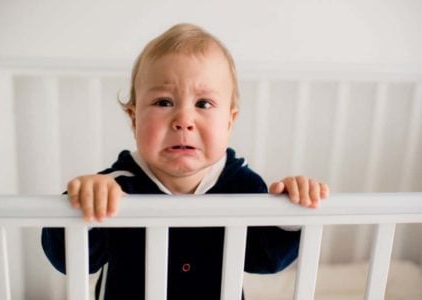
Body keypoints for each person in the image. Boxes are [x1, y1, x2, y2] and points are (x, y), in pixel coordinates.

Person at [42, 23, 329, 300]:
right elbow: (70, 260)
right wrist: (81, 202)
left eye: (203, 104)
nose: (183, 121)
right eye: (164, 102)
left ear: (229, 122)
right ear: (134, 117)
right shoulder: (116, 187)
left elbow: (266, 258)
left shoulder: (241, 187)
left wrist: (291, 213)